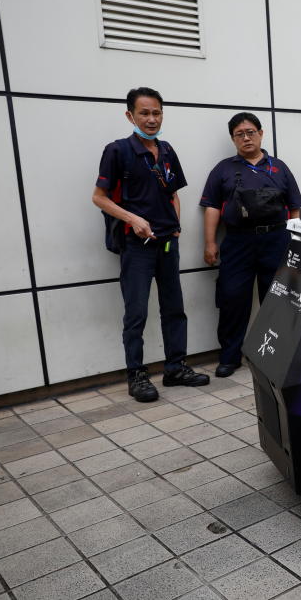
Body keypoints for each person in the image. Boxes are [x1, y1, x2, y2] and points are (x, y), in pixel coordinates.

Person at [92, 87, 210, 403]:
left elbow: (173, 193)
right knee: (137, 312)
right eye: (144, 113)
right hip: (137, 245)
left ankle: (175, 368)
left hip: (168, 244)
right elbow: (98, 198)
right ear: (130, 115)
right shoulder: (117, 151)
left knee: (175, 309)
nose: (151, 119)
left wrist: (176, 227)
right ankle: (137, 375)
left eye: (156, 112)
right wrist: (133, 218)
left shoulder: (167, 150)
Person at [200, 113, 301, 377]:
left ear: (260, 133)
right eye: (239, 134)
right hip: (237, 242)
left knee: (277, 299)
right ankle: (230, 357)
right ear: (233, 138)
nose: (246, 138)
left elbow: (295, 208)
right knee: (233, 299)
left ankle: (275, 354)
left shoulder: (279, 167)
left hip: (277, 240)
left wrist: (298, 242)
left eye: (250, 132)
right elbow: (211, 207)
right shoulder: (223, 169)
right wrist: (210, 242)